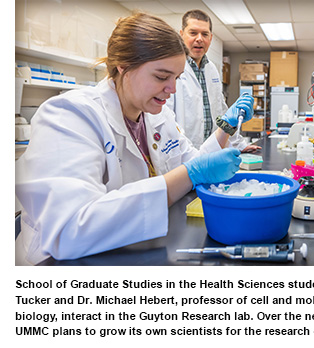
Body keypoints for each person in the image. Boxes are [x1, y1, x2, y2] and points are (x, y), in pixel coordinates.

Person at [15, 13, 253, 265]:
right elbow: (69, 230)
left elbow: (196, 165)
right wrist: (191, 173)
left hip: (131, 250)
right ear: (123, 66)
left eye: (177, 78)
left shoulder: (157, 116)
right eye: (162, 77)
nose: (172, 89)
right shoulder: (69, 116)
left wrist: (226, 127)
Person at [166, 9, 261, 152]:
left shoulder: (212, 70)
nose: (199, 39)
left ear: (210, 38)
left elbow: (221, 112)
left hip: (212, 154)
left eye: (204, 34)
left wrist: (239, 144)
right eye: (193, 33)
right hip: (182, 155)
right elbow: (166, 120)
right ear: (181, 35)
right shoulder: (171, 69)